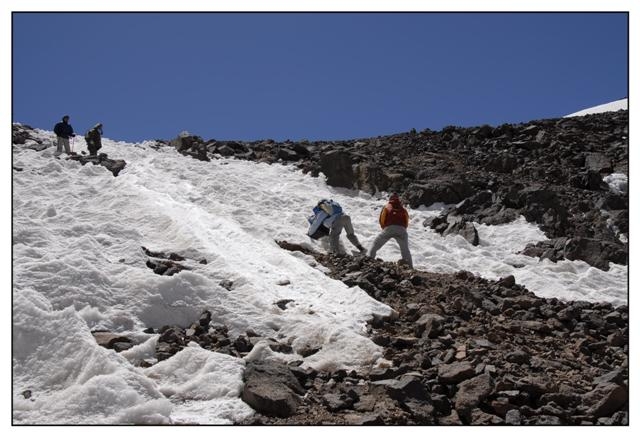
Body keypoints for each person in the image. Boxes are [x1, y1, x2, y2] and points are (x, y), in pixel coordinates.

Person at [368, 193, 413, 268]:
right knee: (405, 250)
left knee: (375, 244)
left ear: (390, 199)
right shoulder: (403, 209)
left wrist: (385, 228)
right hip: (402, 229)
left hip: (389, 228)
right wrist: (402, 229)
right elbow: (406, 221)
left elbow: (382, 219)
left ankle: (368, 260)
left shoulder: (387, 207)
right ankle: (410, 267)